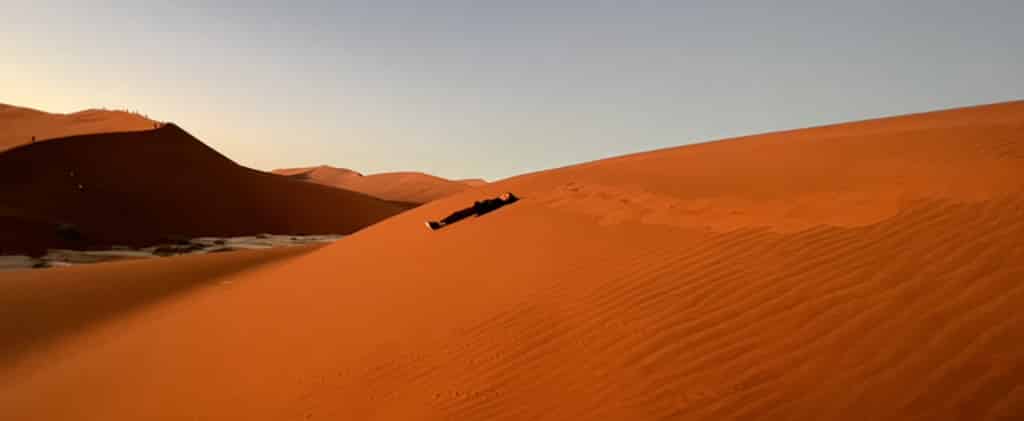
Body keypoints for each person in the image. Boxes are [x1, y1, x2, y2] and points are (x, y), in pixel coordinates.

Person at [425, 192, 519, 230]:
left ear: (507, 200)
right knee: (457, 214)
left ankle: (438, 224)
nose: (503, 195)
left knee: (458, 216)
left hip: (475, 211)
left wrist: (478, 208)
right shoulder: (497, 200)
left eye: (506, 196)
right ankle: (439, 223)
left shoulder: (498, 202)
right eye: (504, 194)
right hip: (474, 209)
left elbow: (488, 208)